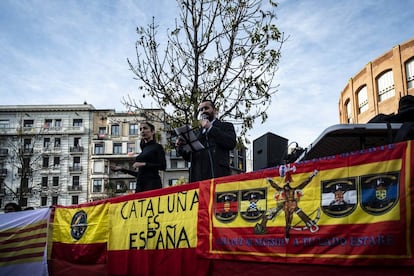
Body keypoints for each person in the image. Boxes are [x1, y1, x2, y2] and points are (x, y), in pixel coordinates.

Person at [176, 99, 237, 182]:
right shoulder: (196, 133)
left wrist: (210, 128)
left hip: (217, 174)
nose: (203, 111)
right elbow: (189, 157)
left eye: (206, 108)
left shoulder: (225, 126)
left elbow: (231, 143)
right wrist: (180, 146)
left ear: (215, 110)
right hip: (198, 177)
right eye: (201, 110)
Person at [111, 122, 166, 192]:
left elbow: (163, 166)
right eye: (140, 129)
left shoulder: (157, 147)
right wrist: (121, 169)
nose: (142, 131)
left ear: (152, 131)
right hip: (140, 186)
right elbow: (140, 175)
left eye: (145, 128)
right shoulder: (144, 149)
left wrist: (143, 164)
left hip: (152, 185)